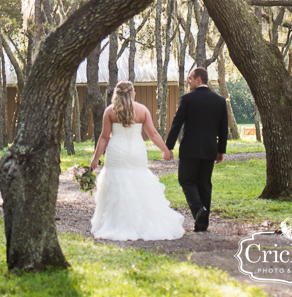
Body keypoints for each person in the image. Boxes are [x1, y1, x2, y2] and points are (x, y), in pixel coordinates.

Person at [89, 80, 185, 241]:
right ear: (132, 92)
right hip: (136, 152)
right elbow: (153, 134)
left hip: (116, 152)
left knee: (116, 183)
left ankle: (117, 223)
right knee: (139, 181)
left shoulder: (110, 111)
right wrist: (165, 150)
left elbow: (104, 137)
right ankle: (141, 222)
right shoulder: (142, 110)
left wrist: (95, 159)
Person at [164, 67, 228, 232]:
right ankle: (202, 224)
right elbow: (223, 129)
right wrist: (221, 150)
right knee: (204, 184)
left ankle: (199, 209)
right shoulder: (220, 101)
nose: (188, 81)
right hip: (209, 150)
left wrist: (168, 147)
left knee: (186, 180)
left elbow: (177, 124)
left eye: (190, 78)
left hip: (190, 150)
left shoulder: (188, 99)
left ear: (199, 79)